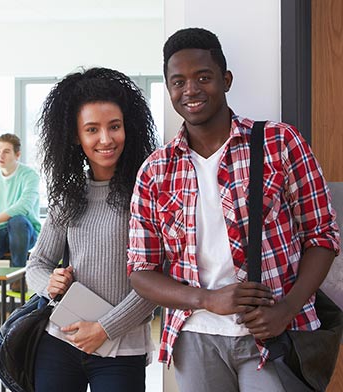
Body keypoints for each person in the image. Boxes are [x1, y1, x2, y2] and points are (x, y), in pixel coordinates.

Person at [127, 27, 340, 392]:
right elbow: (140, 271)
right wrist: (207, 299)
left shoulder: (280, 143)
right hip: (194, 337)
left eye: (203, 77)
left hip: (276, 333)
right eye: (178, 82)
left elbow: (322, 236)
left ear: (225, 80)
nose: (190, 90)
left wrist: (286, 310)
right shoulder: (155, 170)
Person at [26, 67, 159, 392]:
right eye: (92, 129)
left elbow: (156, 279)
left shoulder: (146, 194)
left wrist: (105, 327)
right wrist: (50, 282)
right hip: (60, 341)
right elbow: (36, 265)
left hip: (120, 347)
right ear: (76, 136)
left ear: (128, 128)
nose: (105, 139)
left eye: (114, 126)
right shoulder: (68, 196)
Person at [0, 133, 40, 351]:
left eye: (6, 151)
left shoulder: (30, 176)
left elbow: (24, 207)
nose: (0, 155)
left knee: (16, 221)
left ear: (17, 154)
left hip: (25, 231)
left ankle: (18, 275)